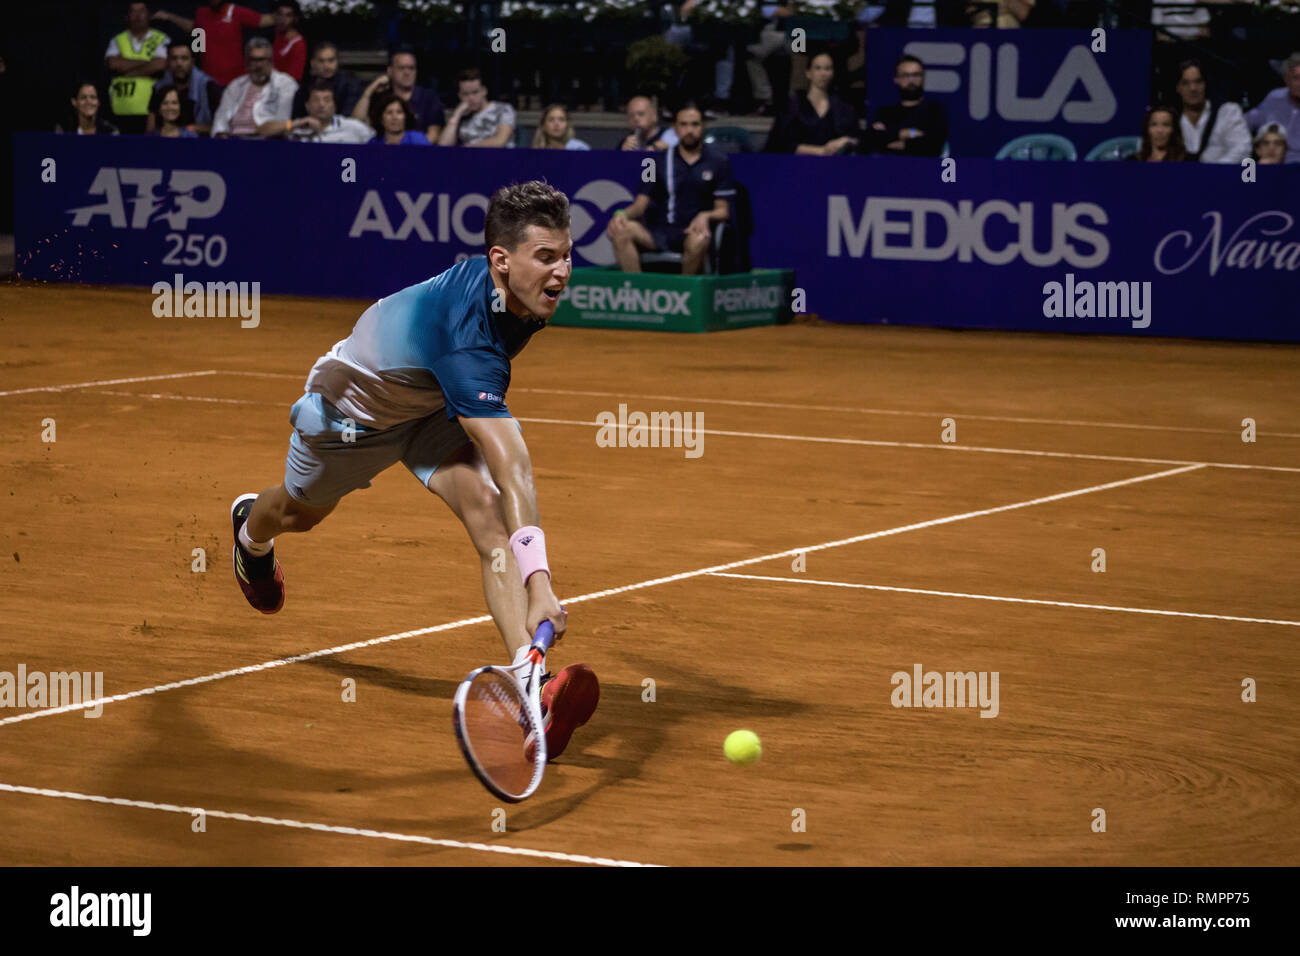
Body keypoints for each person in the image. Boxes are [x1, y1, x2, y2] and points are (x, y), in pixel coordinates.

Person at [228, 180, 598, 760]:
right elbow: (514, 462)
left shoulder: (521, 297)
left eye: (567, 255)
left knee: (487, 515)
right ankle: (250, 531)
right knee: (298, 514)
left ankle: (529, 686)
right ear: (500, 260)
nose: (562, 272)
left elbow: (502, 481)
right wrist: (541, 582)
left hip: (429, 405)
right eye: (546, 258)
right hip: (350, 418)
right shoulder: (467, 337)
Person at [605, 103, 735, 275]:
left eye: (695, 124)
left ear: (703, 126)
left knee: (698, 240)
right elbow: (639, 205)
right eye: (683, 124)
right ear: (675, 128)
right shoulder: (651, 162)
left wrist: (705, 215)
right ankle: (637, 291)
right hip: (659, 232)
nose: (689, 130)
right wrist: (621, 214)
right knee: (621, 230)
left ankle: (685, 296)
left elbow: (723, 211)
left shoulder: (720, 162)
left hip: (693, 232)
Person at [154, 1, 274, 88]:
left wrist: (289, 9)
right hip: (207, 83)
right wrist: (170, 17)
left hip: (234, 83)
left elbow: (263, 20)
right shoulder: (201, 13)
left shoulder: (235, 11)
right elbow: (195, 30)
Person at [764, 50, 860, 155]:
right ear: (808, 73)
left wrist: (846, 140)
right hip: (797, 165)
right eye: (817, 68)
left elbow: (856, 138)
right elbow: (779, 142)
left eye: (827, 68)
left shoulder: (843, 107)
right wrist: (820, 151)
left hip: (834, 166)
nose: (823, 73)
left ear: (832, 73)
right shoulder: (793, 104)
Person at [211, 37, 298, 138]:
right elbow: (221, 119)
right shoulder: (235, 85)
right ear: (246, 62)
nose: (258, 65)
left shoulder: (285, 84)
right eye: (253, 60)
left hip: (266, 140)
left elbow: (283, 121)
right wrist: (222, 138)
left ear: (271, 61)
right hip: (234, 140)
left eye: (261, 60)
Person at [104, 1, 169, 134]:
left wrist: (127, 69)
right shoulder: (117, 40)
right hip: (119, 109)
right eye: (133, 11)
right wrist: (147, 62)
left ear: (149, 15)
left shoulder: (161, 39)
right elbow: (113, 64)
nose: (138, 15)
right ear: (127, 16)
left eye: (142, 11)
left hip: (150, 111)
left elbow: (160, 65)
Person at [352, 50, 445, 143]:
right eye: (402, 68)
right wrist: (370, 90)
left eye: (411, 68)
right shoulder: (381, 96)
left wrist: (412, 149)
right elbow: (355, 123)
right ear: (390, 71)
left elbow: (434, 134)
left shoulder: (429, 97)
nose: (407, 72)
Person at [868, 54, 948, 156]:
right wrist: (909, 134)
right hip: (889, 167)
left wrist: (897, 138)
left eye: (916, 75)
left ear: (923, 78)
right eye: (905, 75)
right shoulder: (885, 112)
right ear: (896, 79)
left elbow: (933, 145)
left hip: (925, 168)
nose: (911, 80)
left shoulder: (935, 110)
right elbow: (873, 140)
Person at [1175, 60, 1250, 164]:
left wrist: (1211, 172)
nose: (1193, 88)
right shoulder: (1170, 117)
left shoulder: (1228, 111)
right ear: (1178, 88)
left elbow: (1242, 149)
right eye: (1185, 83)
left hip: (1221, 177)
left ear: (1205, 84)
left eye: (1198, 82)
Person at [148, 41, 222, 135]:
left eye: (184, 58)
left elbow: (222, 128)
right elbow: (150, 128)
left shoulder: (209, 87)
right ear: (167, 62)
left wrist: (188, 130)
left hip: (202, 144)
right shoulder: (159, 87)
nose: (179, 63)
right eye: (174, 58)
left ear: (192, 62)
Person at [268, 79, 372, 143]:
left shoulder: (353, 127)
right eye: (316, 100)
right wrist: (296, 124)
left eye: (326, 100)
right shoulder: (296, 128)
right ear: (307, 106)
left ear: (334, 104)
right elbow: (262, 132)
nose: (321, 105)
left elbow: (378, 144)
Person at [439, 68, 515, 147]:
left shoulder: (503, 109)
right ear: (459, 95)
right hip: (468, 158)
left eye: (475, 92)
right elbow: (444, 146)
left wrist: (468, 148)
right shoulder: (462, 115)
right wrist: (457, 115)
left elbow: (500, 141)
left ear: (484, 91)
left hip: (498, 157)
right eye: (465, 94)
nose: (471, 98)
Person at [1247, 52, 1300, 164]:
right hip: (1271, 165)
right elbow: (1245, 122)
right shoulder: (1274, 98)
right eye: (1297, 78)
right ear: (1287, 80)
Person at [292, 41, 362, 119]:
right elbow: (297, 116)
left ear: (337, 61)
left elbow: (348, 115)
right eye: (321, 61)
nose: (326, 66)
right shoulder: (305, 86)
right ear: (313, 63)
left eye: (331, 60)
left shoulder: (350, 84)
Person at [55, 82, 120, 135]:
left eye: (93, 97)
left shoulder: (110, 131)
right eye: (83, 97)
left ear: (98, 102)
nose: (88, 102)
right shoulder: (64, 130)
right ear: (74, 102)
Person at [272, 0, 306, 83]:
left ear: (295, 19)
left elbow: (293, 80)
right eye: (280, 14)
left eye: (288, 15)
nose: (282, 19)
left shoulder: (298, 45)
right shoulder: (273, 36)